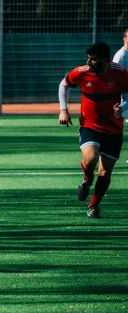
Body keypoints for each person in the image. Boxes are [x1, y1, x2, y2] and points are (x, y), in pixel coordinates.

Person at [58, 41, 128, 218]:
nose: (88, 62)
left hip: (113, 128)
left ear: (105, 59)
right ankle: (87, 178)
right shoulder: (82, 72)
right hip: (89, 124)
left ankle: (94, 205)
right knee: (90, 159)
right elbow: (63, 85)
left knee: (105, 173)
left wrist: (123, 106)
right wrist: (63, 109)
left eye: (93, 59)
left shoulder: (120, 73)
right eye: (88, 58)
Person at [112, 28, 128, 162]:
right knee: (113, 128)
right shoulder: (121, 56)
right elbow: (113, 77)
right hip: (123, 99)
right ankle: (104, 154)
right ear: (125, 39)